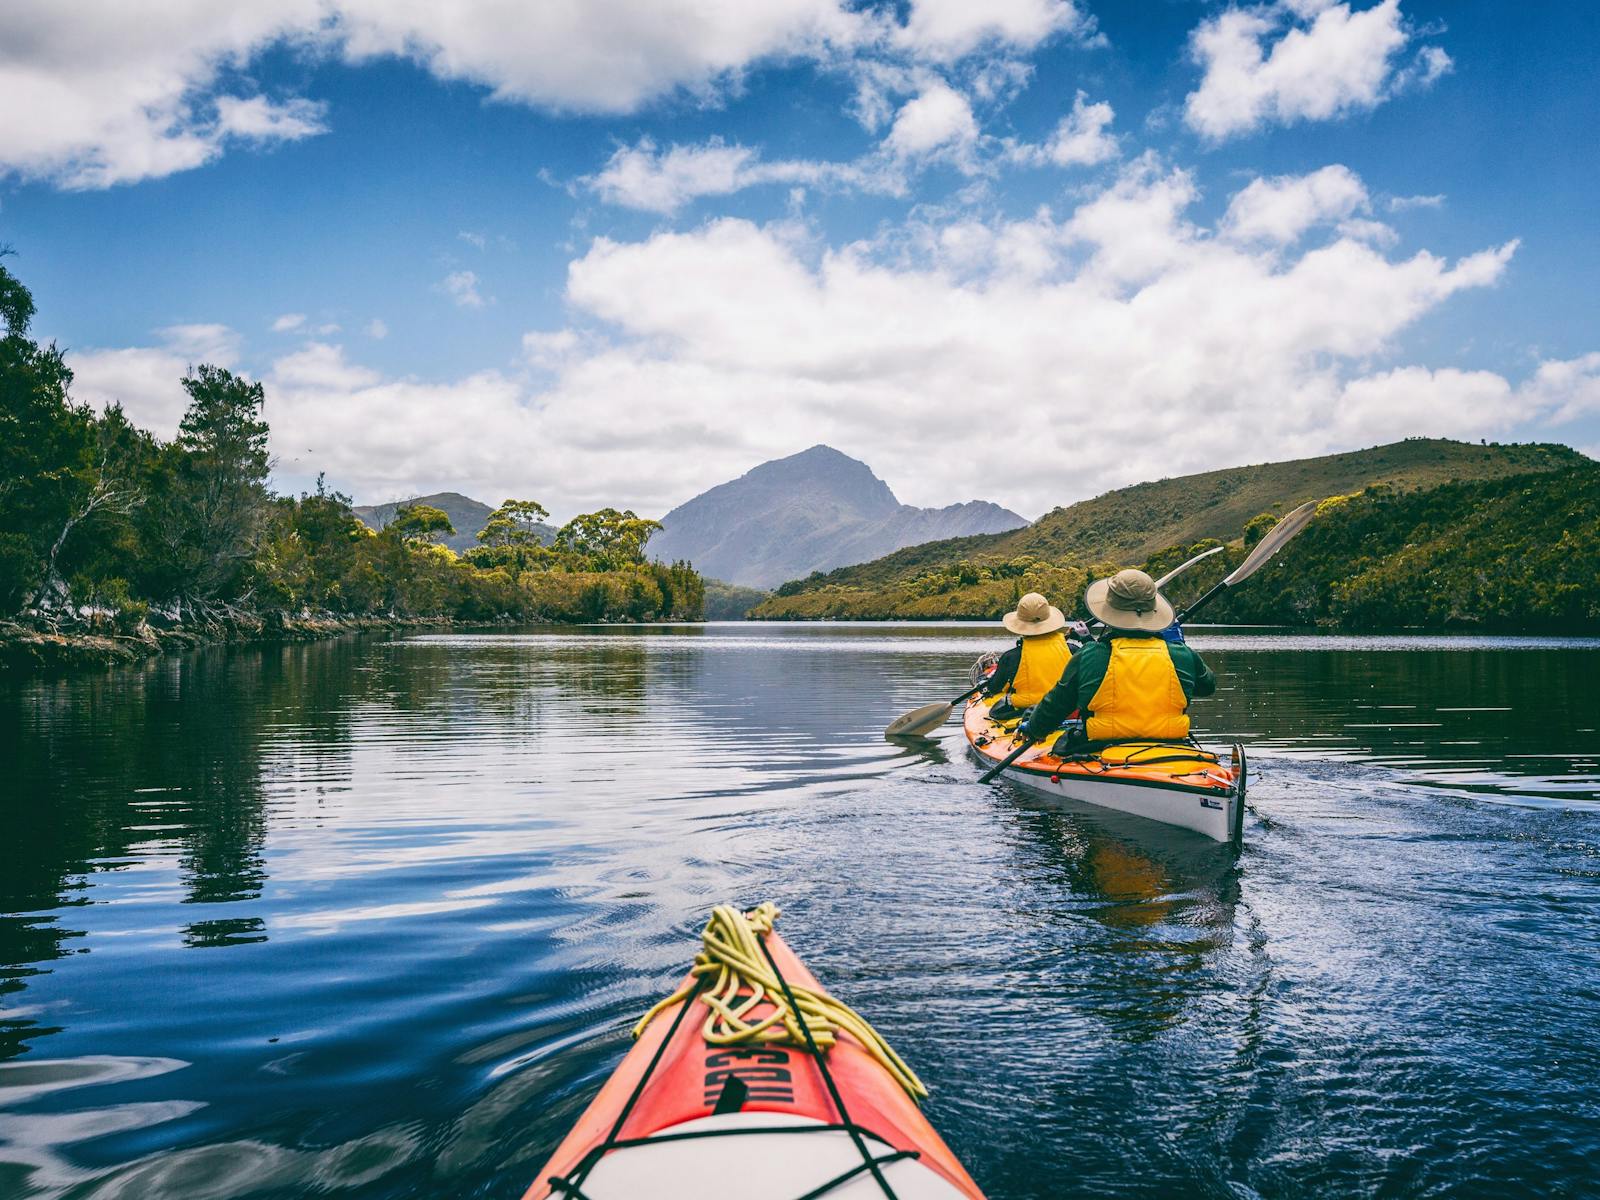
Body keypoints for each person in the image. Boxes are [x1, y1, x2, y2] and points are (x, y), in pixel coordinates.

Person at [1019, 569, 1215, 745]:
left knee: (1063, 742)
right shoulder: (1182, 655)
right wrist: (1180, 645)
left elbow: (1057, 704)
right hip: (1172, 745)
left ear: (1109, 612)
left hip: (1099, 746)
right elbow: (1207, 686)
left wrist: (1035, 729)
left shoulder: (1089, 655)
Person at [983, 592, 1073, 716]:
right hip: (1065, 708)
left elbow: (994, 687)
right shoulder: (1073, 650)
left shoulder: (1011, 657)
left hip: (1024, 710)